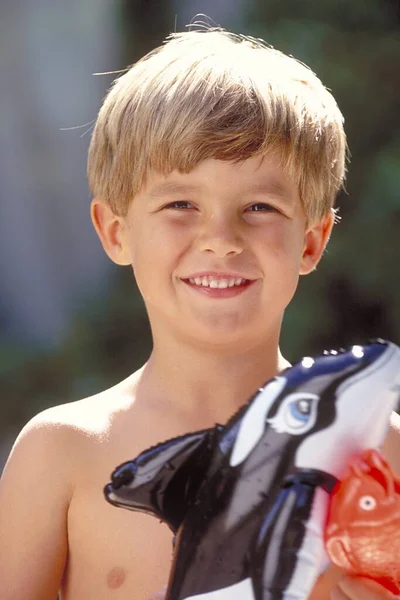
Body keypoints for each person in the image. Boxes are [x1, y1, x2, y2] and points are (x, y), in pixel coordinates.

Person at [1, 28, 399, 600]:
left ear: (311, 242)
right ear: (116, 232)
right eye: (180, 205)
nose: (220, 239)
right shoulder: (63, 452)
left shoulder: (376, 448)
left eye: (259, 207)